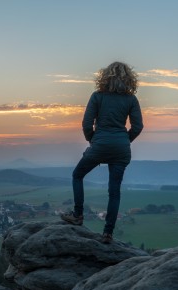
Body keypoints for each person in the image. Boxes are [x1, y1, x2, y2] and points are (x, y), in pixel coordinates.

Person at [61, 61, 143, 244]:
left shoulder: (97, 96)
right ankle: (108, 233)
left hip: (99, 144)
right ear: (129, 78)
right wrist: (124, 140)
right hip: (122, 149)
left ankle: (77, 215)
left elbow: (86, 124)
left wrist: (93, 140)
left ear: (104, 77)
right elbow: (138, 126)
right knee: (114, 192)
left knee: (77, 175)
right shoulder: (131, 99)